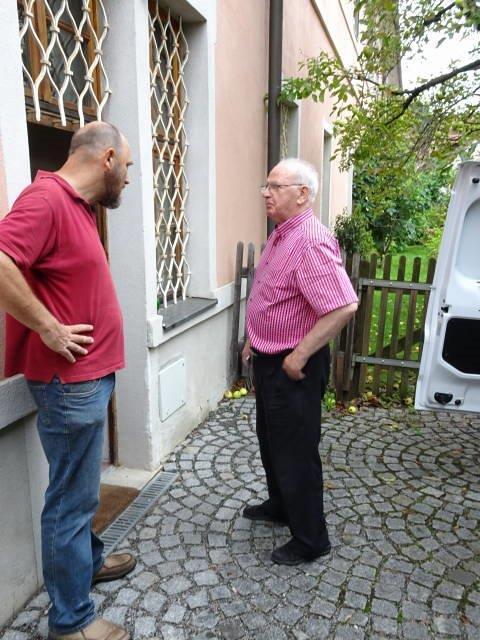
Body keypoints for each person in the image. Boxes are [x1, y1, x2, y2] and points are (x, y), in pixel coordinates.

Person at [0, 122, 135, 640]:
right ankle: (71, 621)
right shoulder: (46, 200)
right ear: (106, 159)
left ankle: (88, 561)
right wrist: (48, 327)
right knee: (69, 501)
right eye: (126, 165)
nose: (128, 176)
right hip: (69, 384)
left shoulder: (77, 206)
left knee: (81, 489)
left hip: (88, 379)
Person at [242, 158, 358, 566]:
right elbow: (272, 294)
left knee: (296, 452)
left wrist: (299, 355)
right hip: (269, 358)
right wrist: (252, 339)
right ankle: (280, 506)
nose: (266, 193)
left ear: (303, 194)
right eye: (266, 185)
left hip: (293, 366)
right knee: (271, 441)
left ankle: (311, 539)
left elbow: (343, 306)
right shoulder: (281, 234)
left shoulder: (310, 240)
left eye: (275, 186)